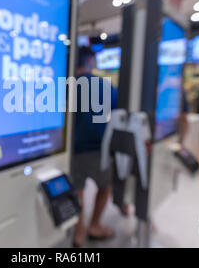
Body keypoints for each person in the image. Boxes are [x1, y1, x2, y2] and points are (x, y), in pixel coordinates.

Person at [71, 46, 118, 247]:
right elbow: (118, 118)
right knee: (104, 187)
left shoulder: (66, 85)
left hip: (73, 152)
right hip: (100, 150)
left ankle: (78, 232)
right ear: (90, 63)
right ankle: (94, 225)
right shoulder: (107, 87)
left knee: (77, 191)